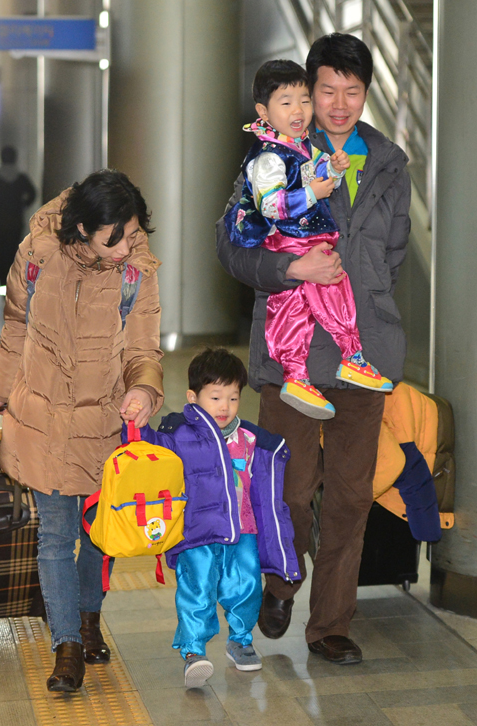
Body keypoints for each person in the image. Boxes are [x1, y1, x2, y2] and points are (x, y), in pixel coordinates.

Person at [216, 33, 411, 665]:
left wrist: (368, 296)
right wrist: (291, 272)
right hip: (292, 352)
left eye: (352, 91)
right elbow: (232, 249)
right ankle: (281, 580)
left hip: (362, 351)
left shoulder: (389, 163)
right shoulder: (272, 156)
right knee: (290, 491)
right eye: (325, 89)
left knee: (352, 495)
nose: (338, 103)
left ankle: (330, 624)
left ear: (365, 94)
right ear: (305, 91)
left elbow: (395, 252)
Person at [0, 169, 164, 693]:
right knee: (54, 535)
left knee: (100, 535)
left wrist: (145, 391)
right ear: (81, 228)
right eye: (114, 237)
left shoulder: (137, 272)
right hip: (41, 416)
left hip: (103, 423)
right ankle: (67, 645)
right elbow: (16, 320)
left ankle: (89, 617)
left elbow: (144, 348)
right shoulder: (37, 253)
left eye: (132, 234)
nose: (124, 247)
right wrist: (1, 388)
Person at [225, 60, 392, 419]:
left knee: (320, 300)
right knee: (302, 307)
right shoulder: (268, 156)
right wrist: (314, 193)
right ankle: (306, 371)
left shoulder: (297, 145)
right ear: (263, 111)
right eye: (286, 102)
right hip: (290, 244)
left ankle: (341, 360)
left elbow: (314, 171)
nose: (298, 109)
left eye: (303, 99)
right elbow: (270, 204)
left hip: (310, 239)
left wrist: (332, 169)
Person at [130, 348, 299, 688]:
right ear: (193, 397)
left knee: (247, 586)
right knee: (197, 589)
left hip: (243, 530)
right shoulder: (179, 434)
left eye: (233, 398)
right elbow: (151, 451)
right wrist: (138, 427)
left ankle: (241, 640)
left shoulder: (250, 438)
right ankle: (194, 651)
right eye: (216, 397)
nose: (225, 407)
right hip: (197, 532)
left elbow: (265, 481)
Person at [0, 146, 36, 287]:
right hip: (15, 220)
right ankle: (13, 280)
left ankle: (2, 281)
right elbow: (33, 194)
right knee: (14, 250)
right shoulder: (21, 179)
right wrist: (23, 205)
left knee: (0, 251)